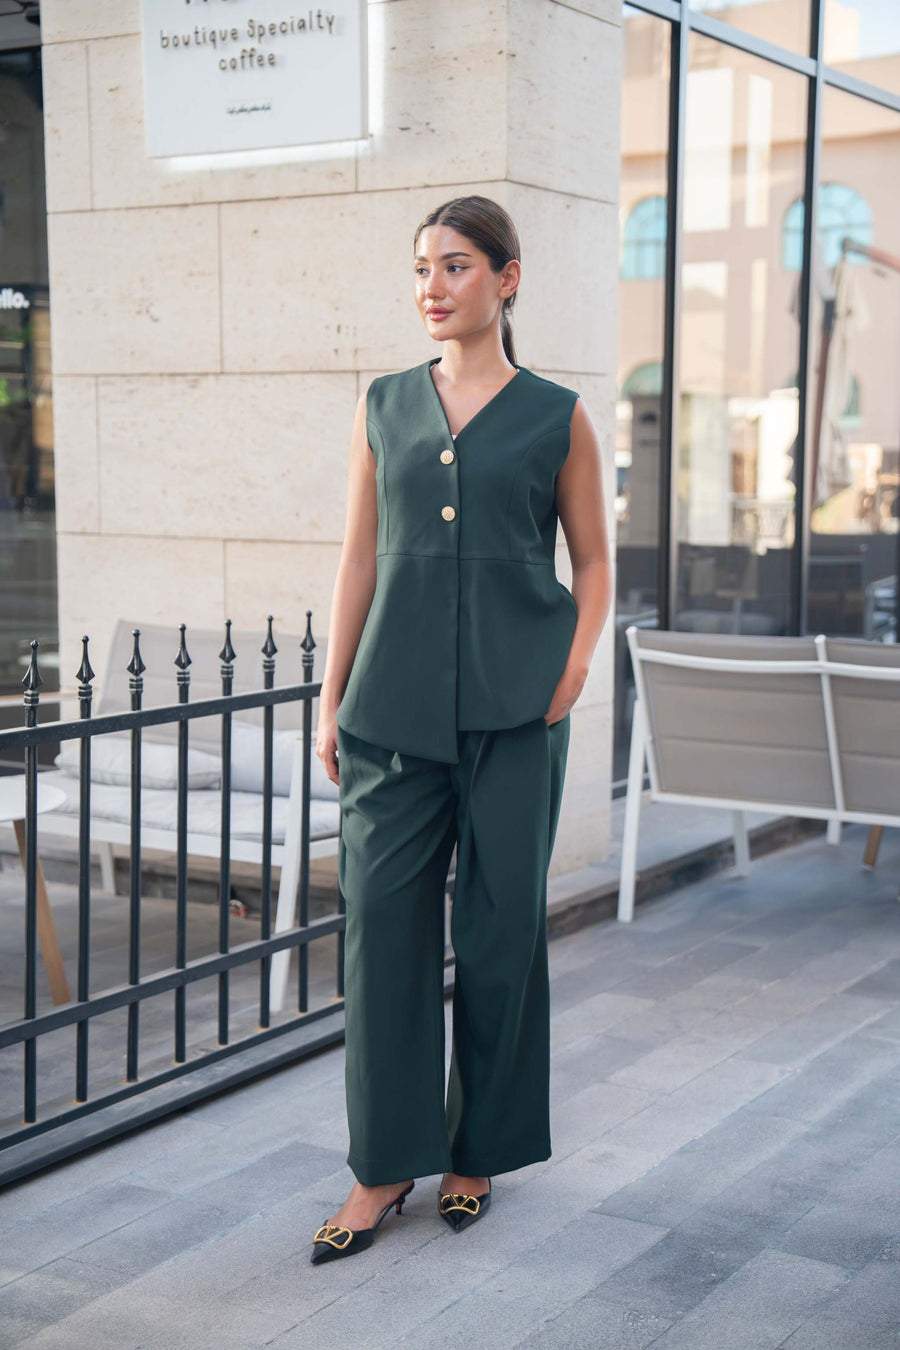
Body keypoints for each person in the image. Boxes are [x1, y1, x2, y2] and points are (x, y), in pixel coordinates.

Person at [310, 195, 612, 1263]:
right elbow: (358, 556)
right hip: (388, 711)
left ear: (507, 278)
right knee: (379, 934)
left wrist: (571, 671)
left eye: (456, 266)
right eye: (422, 269)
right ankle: (381, 1165)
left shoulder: (556, 414)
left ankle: (476, 1151)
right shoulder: (384, 404)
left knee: (497, 933)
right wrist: (330, 693)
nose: (432, 286)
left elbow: (595, 560)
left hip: (516, 712)